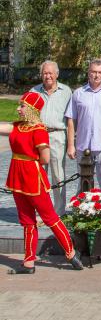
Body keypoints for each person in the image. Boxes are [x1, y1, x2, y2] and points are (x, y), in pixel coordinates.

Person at [0, 92, 84, 274]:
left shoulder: (39, 130)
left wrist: (28, 161)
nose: (18, 109)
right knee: (27, 220)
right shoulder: (18, 126)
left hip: (32, 177)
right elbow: (3, 127)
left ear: (32, 108)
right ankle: (29, 262)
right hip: (17, 177)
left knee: (49, 217)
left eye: (22, 106)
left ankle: (71, 253)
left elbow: (45, 158)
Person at [30, 59, 72, 215]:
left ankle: (59, 211)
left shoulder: (66, 91)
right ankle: (41, 210)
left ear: (57, 74)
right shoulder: (34, 92)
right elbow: (27, 116)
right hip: (38, 136)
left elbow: (70, 119)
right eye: (45, 73)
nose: (48, 76)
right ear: (41, 74)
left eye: (50, 73)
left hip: (57, 136)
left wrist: (71, 143)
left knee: (58, 175)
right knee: (38, 175)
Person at [66, 59, 101, 192]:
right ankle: (82, 205)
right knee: (83, 184)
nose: (96, 75)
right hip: (83, 145)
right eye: (93, 72)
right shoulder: (78, 93)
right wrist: (71, 145)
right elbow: (71, 120)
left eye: (100, 72)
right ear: (88, 73)